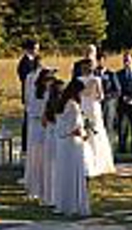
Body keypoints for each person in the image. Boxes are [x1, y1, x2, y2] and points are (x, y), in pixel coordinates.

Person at [54, 79, 90, 217]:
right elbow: (75, 127)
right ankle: (74, 204)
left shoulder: (62, 103)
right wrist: (84, 133)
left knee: (65, 173)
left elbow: (61, 124)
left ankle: (65, 203)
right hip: (73, 143)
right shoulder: (73, 105)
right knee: (74, 173)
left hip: (63, 144)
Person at [79, 59, 116, 177]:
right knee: (94, 132)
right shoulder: (95, 79)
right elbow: (101, 96)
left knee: (90, 132)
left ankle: (90, 161)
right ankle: (95, 161)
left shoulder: (80, 80)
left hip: (86, 106)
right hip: (91, 106)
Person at [25, 68, 55, 200]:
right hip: (38, 126)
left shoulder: (51, 93)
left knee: (46, 158)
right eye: (48, 79)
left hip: (45, 126)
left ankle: (46, 186)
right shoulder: (35, 92)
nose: (50, 82)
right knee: (37, 157)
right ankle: (36, 186)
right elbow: (32, 110)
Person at [42, 78, 65, 206]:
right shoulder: (62, 104)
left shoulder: (48, 103)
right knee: (58, 165)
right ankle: (58, 195)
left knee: (49, 166)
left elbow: (43, 122)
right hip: (59, 135)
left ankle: (49, 195)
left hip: (49, 135)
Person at [17, 39, 40, 154]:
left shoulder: (35, 60)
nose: (37, 51)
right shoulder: (24, 62)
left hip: (35, 94)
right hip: (29, 93)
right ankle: (25, 146)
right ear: (30, 49)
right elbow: (24, 78)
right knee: (27, 120)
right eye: (36, 48)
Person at [95, 52, 121, 146]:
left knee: (108, 125)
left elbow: (117, 91)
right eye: (98, 60)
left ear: (105, 61)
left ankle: (108, 145)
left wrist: (106, 96)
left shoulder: (111, 74)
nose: (99, 63)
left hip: (108, 104)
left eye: (101, 60)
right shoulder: (93, 74)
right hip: (96, 104)